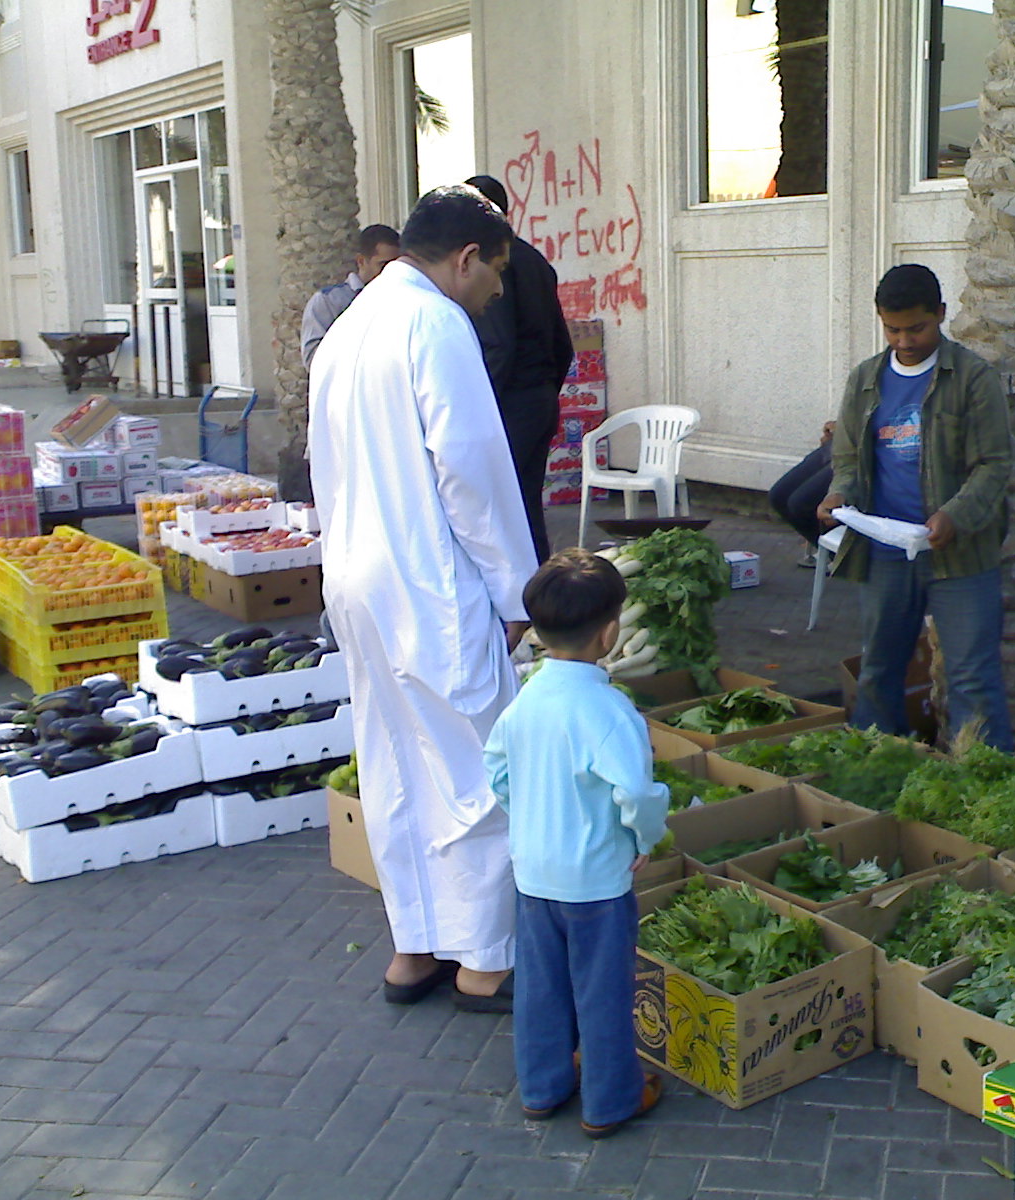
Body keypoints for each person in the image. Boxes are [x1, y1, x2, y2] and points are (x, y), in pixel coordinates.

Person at [308, 186, 536, 1011]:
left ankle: (415, 948)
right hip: (427, 580)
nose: (498, 293)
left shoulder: (349, 326)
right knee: (475, 763)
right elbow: (470, 467)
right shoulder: (434, 322)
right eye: (498, 273)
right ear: (467, 258)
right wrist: (518, 590)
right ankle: (482, 962)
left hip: (358, 579)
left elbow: (322, 466)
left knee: (395, 761)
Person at [484, 549, 668, 1138]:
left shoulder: (524, 700)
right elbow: (637, 791)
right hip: (596, 883)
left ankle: (541, 1089)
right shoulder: (610, 711)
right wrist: (646, 837)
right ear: (611, 633)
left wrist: (528, 818)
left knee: (539, 989)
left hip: (534, 874)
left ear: (536, 630)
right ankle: (610, 1102)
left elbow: (497, 772)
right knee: (603, 994)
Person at [817, 263, 1014, 750]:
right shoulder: (865, 379)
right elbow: (847, 457)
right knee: (879, 670)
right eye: (892, 329)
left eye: (916, 328)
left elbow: (994, 464)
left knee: (973, 679)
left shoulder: (972, 377)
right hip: (886, 554)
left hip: (960, 556)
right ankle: (875, 776)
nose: (904, 340)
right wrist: (840, 493)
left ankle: (983, 783)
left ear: (941, 315)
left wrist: (955, 515)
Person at [465, 175, 576, 563]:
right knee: (526, 506)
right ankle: (540, 591)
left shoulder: (495, 266)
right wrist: (546, 390)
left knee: (499, 509)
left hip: (509, 400)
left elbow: (498, 344)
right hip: (539, 398)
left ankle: (522, 597)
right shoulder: (536, 261)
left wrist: (480, 404)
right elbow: (563, 344)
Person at [301, 224, 401, 368]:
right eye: (383, 265)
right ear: (361, 261)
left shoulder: (402, 300)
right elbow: (313, 360)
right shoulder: (329, 301)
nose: (390, 271)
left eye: (395, 265)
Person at [769, 420, 835, 567]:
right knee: (778, 496)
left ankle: (843, 557)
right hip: (842, 443)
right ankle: (832, 550)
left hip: (865, 453)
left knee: (800, 503)